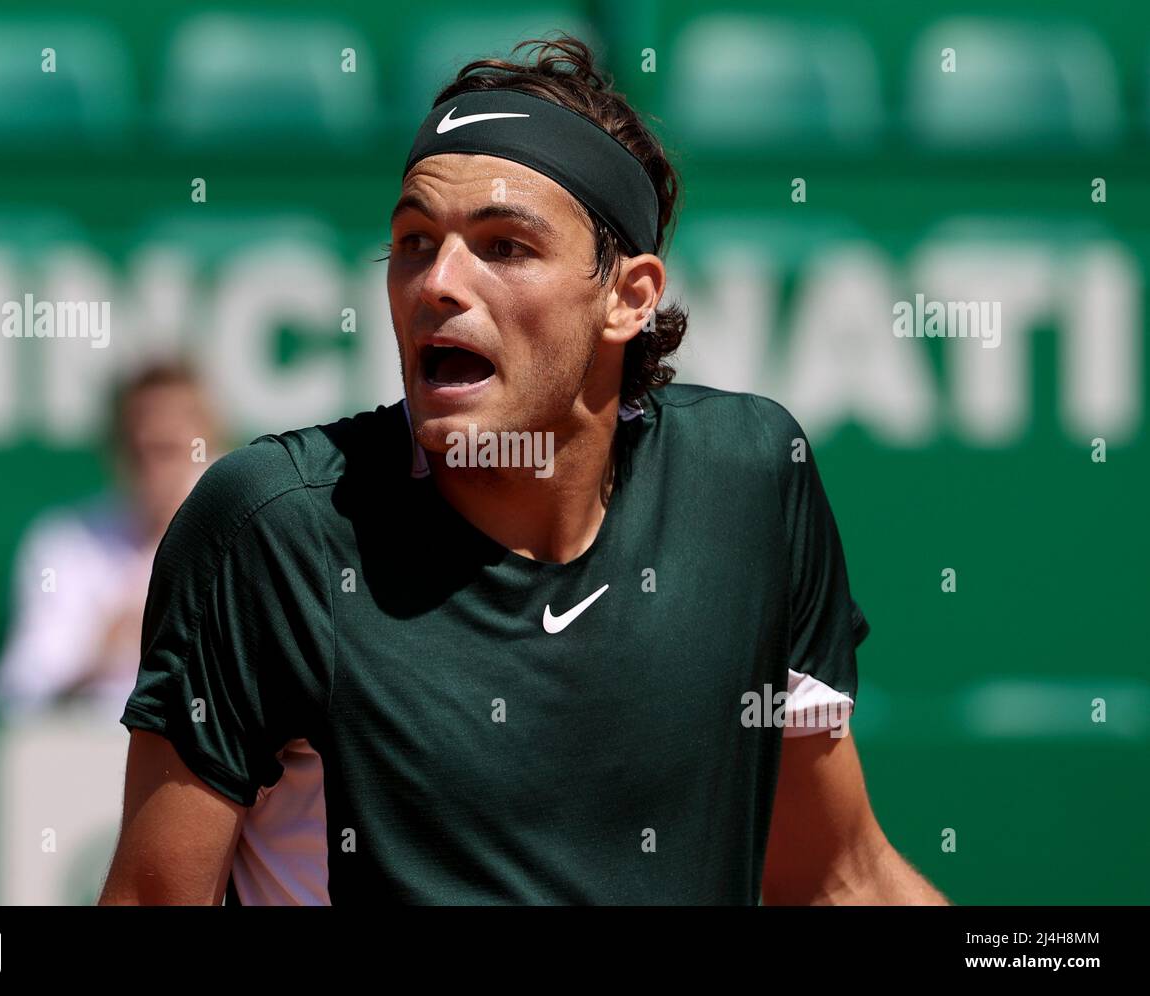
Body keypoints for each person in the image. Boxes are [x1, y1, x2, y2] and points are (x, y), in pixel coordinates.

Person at [101, 36, 948, 905]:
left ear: (629, 296)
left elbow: (836, 876)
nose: (439, 282)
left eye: (504, 247)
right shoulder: (274, 530)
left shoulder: (752, 482)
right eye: (416, 241)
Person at [0, 361, 223, 720]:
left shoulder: (253, 538)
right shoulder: (63, 543)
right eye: (138, 450)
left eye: (168, 449)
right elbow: (18, 690)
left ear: (209, 442)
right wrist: (101, 652)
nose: (155, 471)